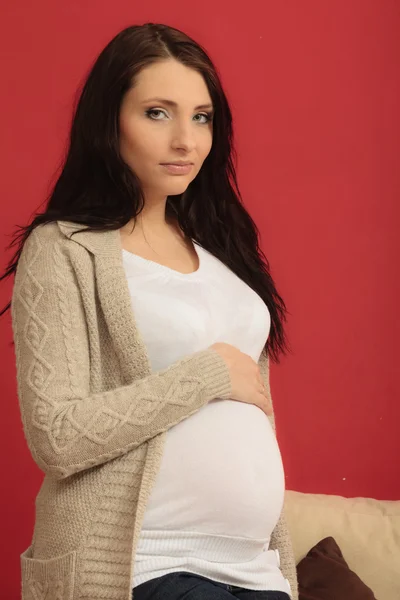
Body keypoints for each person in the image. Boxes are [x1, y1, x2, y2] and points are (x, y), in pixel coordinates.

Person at [1, 23, 298, 600]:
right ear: (109, 120)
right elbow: (56, 438)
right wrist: (210, 373)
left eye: (202, 116)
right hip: (144, 563)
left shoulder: (221, 250)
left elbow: (251, 424)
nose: (185, 140)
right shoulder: (67, 247)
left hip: (252, 569)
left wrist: (280, 566)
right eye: (158, 113)